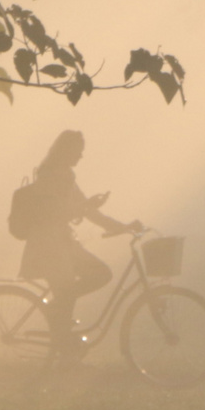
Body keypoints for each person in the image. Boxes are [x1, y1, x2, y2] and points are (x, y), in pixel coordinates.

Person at [17, 130, 138, 343]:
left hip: (62, 244)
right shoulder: (50, 175)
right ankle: (63, 350)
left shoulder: (66, 176)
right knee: (67, 294)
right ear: (66, 151)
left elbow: (88, 211)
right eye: (78, 151)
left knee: (98, 275)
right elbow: (54, 212)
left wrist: (122, 226)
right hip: (48, 246)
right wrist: (85, 207)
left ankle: (58, 318)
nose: (81, 156)